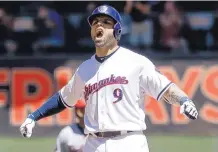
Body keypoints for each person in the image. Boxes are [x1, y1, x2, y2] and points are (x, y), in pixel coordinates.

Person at [20, 5, 198, 152]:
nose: (99, 25)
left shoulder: (136, 62)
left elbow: (165, 88)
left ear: (117, 30)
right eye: (95, 22)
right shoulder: (85, 69)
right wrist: (33, 117)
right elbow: (63, 99)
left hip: (128, 142)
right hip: (93, 143)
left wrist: (183, 100)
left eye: (106, 22)